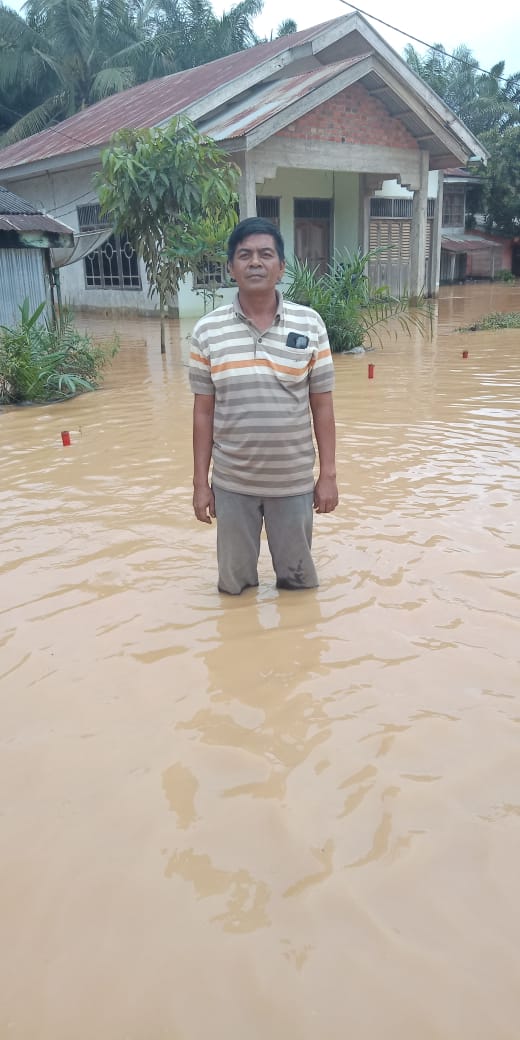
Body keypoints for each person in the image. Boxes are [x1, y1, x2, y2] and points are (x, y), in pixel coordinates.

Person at [189, 216, 338, 595]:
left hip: (293, 483)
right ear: (230, 268)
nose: (255, 262)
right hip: (232, 484)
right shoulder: (207, 330)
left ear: (281, 267)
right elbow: (203, 412)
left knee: (300, 587)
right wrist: (200, 484)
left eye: (265, 254)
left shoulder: (310, 324)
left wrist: (328, 475)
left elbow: (322, 405)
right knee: (234, 588)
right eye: (245, 255)